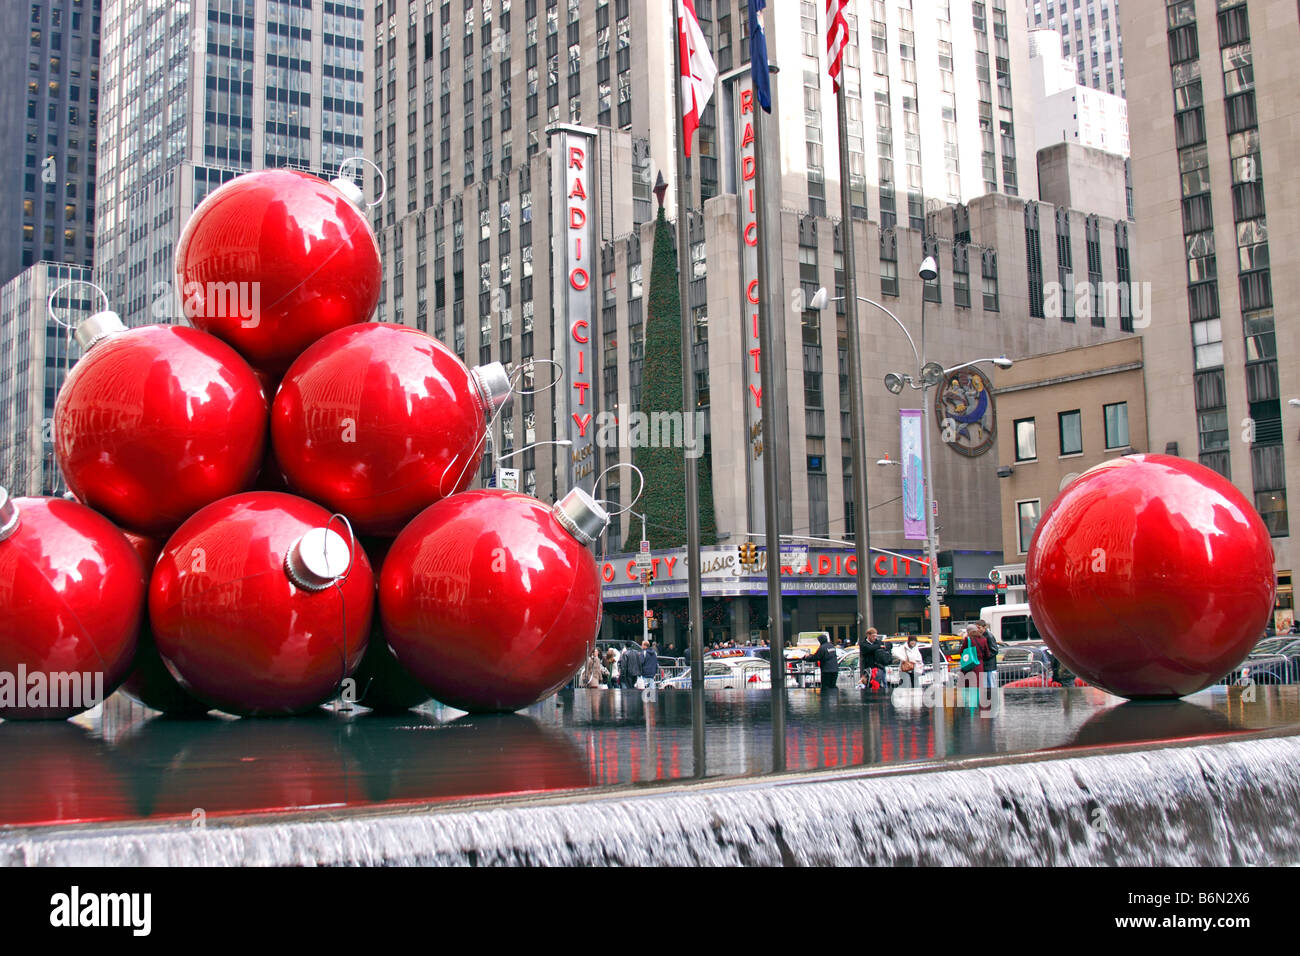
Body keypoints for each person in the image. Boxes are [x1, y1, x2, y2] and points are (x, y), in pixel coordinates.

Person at [958, 624, 990, 689]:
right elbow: (987, 654)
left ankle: (969, 698)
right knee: (978, 684)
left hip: (969, 665)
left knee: (968, 684)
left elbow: (961, 652)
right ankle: (978, 698)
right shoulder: (983, 639)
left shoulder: (968, 639)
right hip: (979, 665)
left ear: (969, 632)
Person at [978, 620, 999, 689]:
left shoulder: (989, 636)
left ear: (984, 627)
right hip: (986, 665)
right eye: (977, 628)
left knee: (991, 684)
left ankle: (992, 698)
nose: (978, 630)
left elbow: (995, 650)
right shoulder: (982, 636)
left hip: (990, 666)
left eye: (979, 627)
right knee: (987, 685)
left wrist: (985, 656)